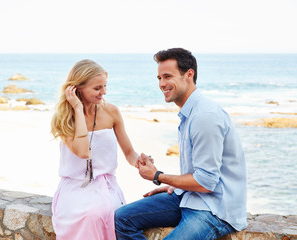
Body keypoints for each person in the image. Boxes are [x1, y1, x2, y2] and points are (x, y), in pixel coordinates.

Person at [114, 48, 247, 240]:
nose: (161, 84)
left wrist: (159, 176)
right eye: (159, 78)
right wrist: (177, 187)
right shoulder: (189, 114)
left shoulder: (204, 116)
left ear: (189, 74)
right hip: (189, 197)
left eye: (167, 76)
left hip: (215, 210)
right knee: (122, 218)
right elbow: (199, 173)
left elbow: (206, 182)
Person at [50, 59, 138, 240]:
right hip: (75, 187)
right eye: (97, 88)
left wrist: (141, 161)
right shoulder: (64, 118)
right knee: (91, 214)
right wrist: (77, 108)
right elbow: (83, 152)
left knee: (108, 212)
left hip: (107, 185)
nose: (103, 92)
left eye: (105, 86)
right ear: (77, 89)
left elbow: (130, 154)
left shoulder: (112, 112)